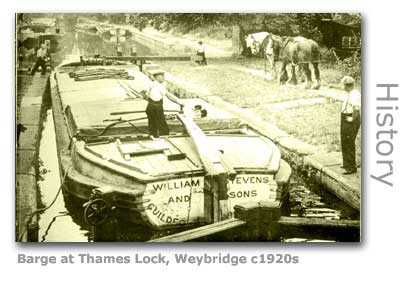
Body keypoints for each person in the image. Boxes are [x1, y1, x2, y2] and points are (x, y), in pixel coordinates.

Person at [145, 70, 184, 138]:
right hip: (157, 107)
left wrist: (149, 100)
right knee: (162, 125)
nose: (163, 77)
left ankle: (153, 136)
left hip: (150, 106)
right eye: (162, 76)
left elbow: (143, 93)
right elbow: (169, 96)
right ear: (156, 77)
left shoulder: (151, 84)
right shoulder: (160, 86)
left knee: (152, 124)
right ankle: (165, 138)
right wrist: (179, 103)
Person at [340, 76, 361, 175]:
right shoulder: (348, 93)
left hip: (351, 118)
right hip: (345, 117)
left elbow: (356, 109)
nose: (342, 87)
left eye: (343, 85)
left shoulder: (354, 95)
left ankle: (351, 167)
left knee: (349, 142)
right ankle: (346, 163)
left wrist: (352, 119)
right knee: (344, 140)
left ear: (346, 85)